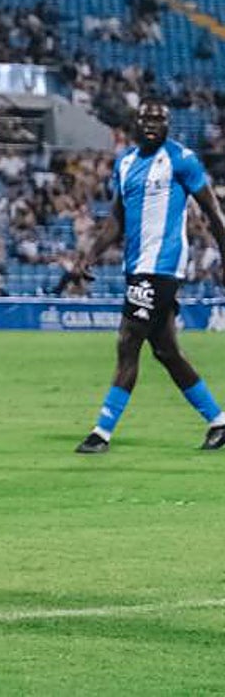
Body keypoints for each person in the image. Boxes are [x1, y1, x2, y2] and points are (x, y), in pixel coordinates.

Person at [75, 99, 225, 453]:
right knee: (166, 351)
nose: (154, 124)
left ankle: (101, 432)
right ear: (136, 123)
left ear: (169, 124)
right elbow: (116, 218)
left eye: (160, 119)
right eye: (147, 119)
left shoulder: (181, 159)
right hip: (136, 267)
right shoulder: (125, 163)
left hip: (162, 266)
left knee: (129, 342)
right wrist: (92, 253)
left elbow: (212, 210)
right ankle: (218, 420)